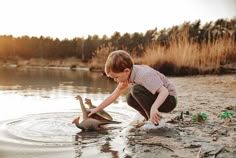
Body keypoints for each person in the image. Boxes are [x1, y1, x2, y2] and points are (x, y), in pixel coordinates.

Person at [88, 50, 177, 125]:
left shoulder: (143, 75)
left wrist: (154, 108)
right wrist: (97, 109)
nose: (115, 80)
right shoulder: (128, 75)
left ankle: (153, 120)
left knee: (136, 90)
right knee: (129, 98)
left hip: (170, 100)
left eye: (116, 77)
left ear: (126, 71)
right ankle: (147, 118)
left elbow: (164, 91)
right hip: (160, 99)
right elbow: (114, 95)